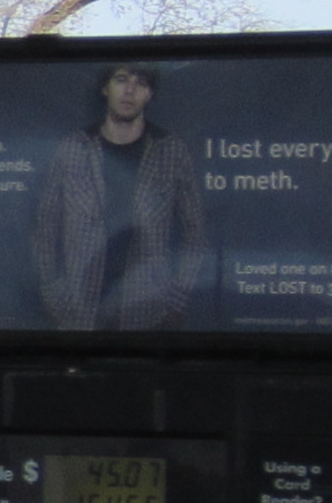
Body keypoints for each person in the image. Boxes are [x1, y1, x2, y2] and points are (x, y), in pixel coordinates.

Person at [31, 60, 212, 331]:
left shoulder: (169, 150)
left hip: (147, 314)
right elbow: (45, 225)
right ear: (106, 88)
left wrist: (175, 302)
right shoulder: (74, 149)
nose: (130, 91)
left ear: (150, 94)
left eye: (140, 84)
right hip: (79, 313)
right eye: (121, 80)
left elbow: (195, 232)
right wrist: (53, 293)